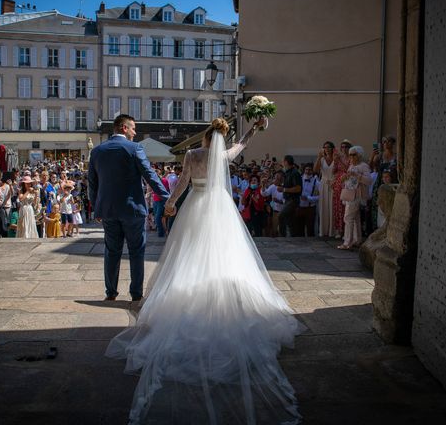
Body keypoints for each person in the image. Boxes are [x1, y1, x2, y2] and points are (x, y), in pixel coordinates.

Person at [106, 117, 304, 423]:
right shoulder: (224, 157)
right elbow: (243, 144)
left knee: (189, 252)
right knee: (226, 252)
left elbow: (183, 181)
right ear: (221, 138)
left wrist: (170, 204)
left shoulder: (192, 155)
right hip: (220, 207)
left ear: (205, 137)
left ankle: (191, 292)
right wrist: (255, 128)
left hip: (196, 205)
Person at [87, 114, 170, 302]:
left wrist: (96, 208)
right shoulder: (134, 148)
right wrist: (167, 198)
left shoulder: (97, 151)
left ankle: (110, 293)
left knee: (112, 251)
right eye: (133, 128)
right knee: (136, 251)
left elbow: (92, 183)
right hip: (132, 209)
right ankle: (136, 294)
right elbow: (149, 175)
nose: (135, 132)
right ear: (124, 128)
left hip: (107, 210)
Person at [338, 146, 373, 250]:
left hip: (357, 195)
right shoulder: (351, 166)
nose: (351, 156)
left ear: (359, 155)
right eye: (350, 154)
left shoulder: (364, 166)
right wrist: (344, 178)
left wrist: (357, 175)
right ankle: (357, 240)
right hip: (350, 194)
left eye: (353, 154)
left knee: (348, 218)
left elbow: (369, 181)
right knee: (355, 218)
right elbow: (349, 181)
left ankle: (347, 242)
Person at [277, 155, 302, 237]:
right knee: (290, 221)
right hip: (288, 200)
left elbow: (298, 188)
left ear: (286, 162)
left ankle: (282, 236)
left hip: (293, 200)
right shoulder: (287, 173)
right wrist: (280, 185)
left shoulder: (295, 173)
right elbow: (288, 185)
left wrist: (284, 190)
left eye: (283, 161)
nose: (282, 163)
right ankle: (293, 237)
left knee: (281, 216)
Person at [314, 141, 335, 237]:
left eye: (329, 147)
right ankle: (323, 230)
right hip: (323, 183)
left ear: (332, 148)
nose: (327, 149)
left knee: (332, 206)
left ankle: (333, 231)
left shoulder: (336, 158)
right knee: (324, 206)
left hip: (333, 183)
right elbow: (315, 170)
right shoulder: (321, 159)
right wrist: (319, 157)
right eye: (325, 147)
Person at [332, 139, 351, 238]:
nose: (344, 149)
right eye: (342, 147)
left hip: (347, 183)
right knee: (337, 207)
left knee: (345, 208)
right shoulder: (338, 158)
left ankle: (345, 231)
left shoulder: (351, 159)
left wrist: (339, 160)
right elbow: (334, 171)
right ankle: (339, 230)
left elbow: (348, 170)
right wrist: (335, 161)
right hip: (338, 184)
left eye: (346, 147)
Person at [297, 163, 319, 237]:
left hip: (310, 208)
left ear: (312, 171)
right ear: (304, 170)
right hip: (299, 207)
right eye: (306, 169)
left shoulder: (316, 182)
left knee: (310, 229)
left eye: (310, 170)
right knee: (299, 229)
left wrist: (309, 198)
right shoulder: (299, 179)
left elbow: (321, 196)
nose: (308, 171)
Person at [261, 170, 285, 237]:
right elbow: (264, 194)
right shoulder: (273, 186)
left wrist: (279, 201)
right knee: (275, 230)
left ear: (282, 178)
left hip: (284, 211)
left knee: (282, 230)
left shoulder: (286, 186)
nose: (275, 179)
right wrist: (263, 185)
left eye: (278, 177)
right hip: (275, 211)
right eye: (275, 177)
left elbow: (287, 200)